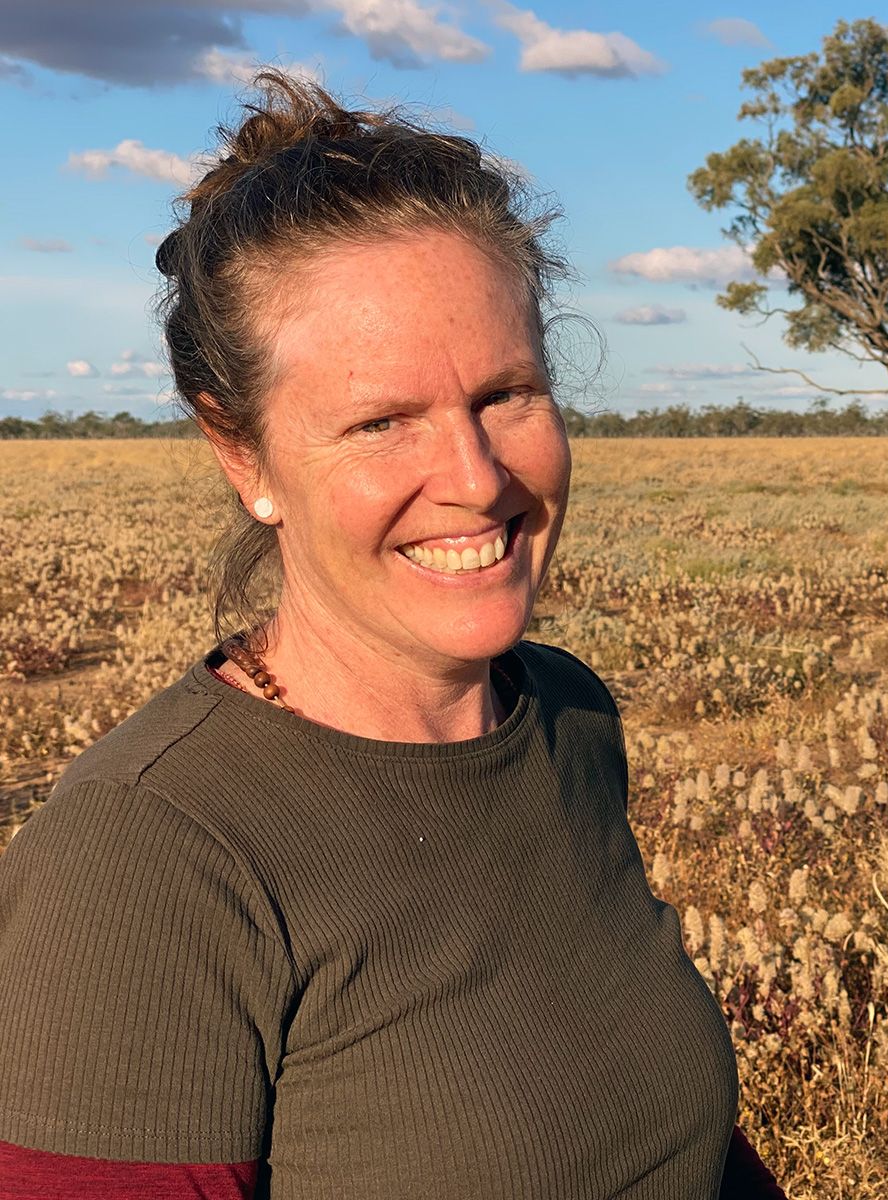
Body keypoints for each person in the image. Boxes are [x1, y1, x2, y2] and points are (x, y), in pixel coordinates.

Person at [0, 74, 787, 1199]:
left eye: (507, 395)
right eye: (382, 421)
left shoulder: (562, 717)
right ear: (243, 456)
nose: (475, 480)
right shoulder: (150, 859)